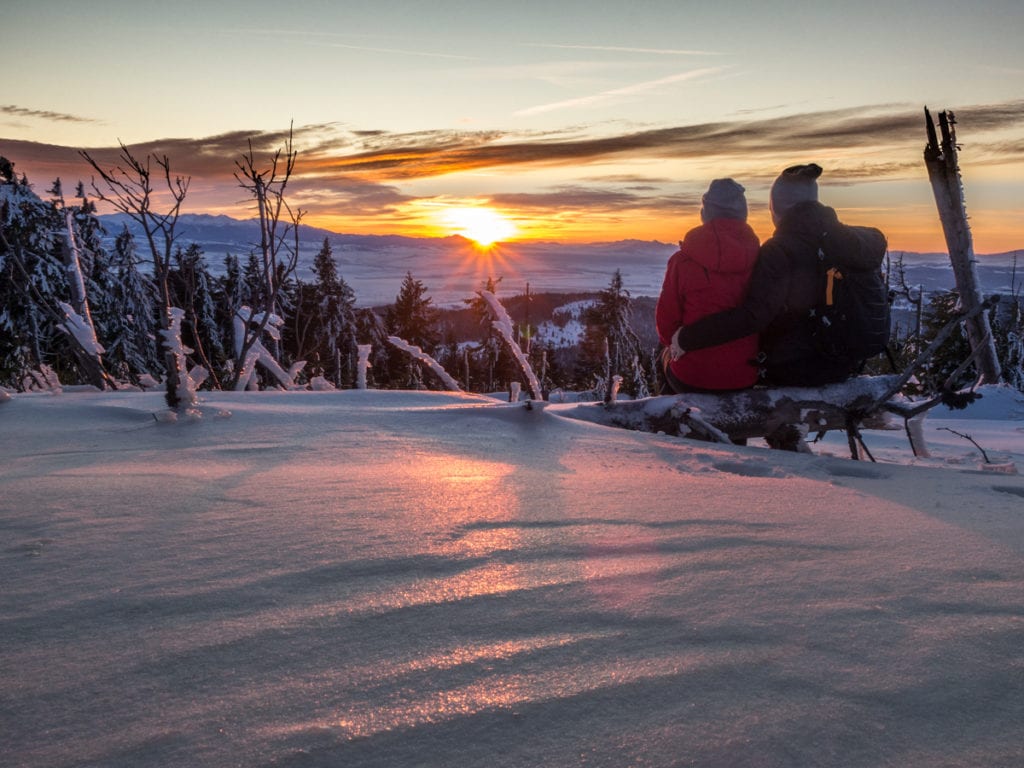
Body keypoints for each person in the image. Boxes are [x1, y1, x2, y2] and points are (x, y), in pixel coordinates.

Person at [671, 163, 887, 387]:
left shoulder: (780, 250)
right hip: (843, 364)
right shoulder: (849, 241)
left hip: (796, 367)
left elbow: (753, 317)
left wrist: (686, 337)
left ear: (778, 207)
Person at [655, 178, 761, 392]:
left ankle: (666, 417)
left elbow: (666, 329)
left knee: (662, 354)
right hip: (746, 375)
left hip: (692, 378)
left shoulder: (682, 261)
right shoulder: (762, 259)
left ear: (706, 213)